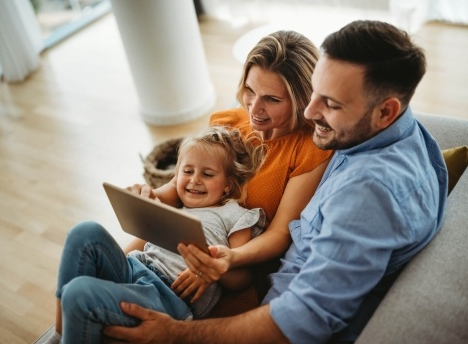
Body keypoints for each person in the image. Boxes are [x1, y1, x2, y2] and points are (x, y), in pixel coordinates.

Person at [102, 20, 448, 343]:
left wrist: (178, 333)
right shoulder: (383, 128)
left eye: (330, 103)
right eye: (315, 93)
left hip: (258, 291)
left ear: (385, 111)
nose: (310, 114)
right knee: (94, 265)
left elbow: (304, 316)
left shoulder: (368, 194)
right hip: (203, 250)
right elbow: (179, 191)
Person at [124, 30, 333, 300]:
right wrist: (150, 197)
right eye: (250, 90)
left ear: (302, 100)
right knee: (94, 268)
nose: (254, 108)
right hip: (185, 233)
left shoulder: (309, 150)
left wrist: (227, 259)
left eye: (271, 99)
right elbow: (179, 186)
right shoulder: (228, 123)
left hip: (237, 260)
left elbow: (280, 234)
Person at [43, 126, 267, 344]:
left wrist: (212, 269)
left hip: (167, 295)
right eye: (187, 172)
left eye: (207, 174)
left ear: (228, 186)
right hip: (134, 269)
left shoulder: (235, 214)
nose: (195, 180)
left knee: (78, 293)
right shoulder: (175, 206)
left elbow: (243, 279)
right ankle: (61, 334)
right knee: (84, 231)